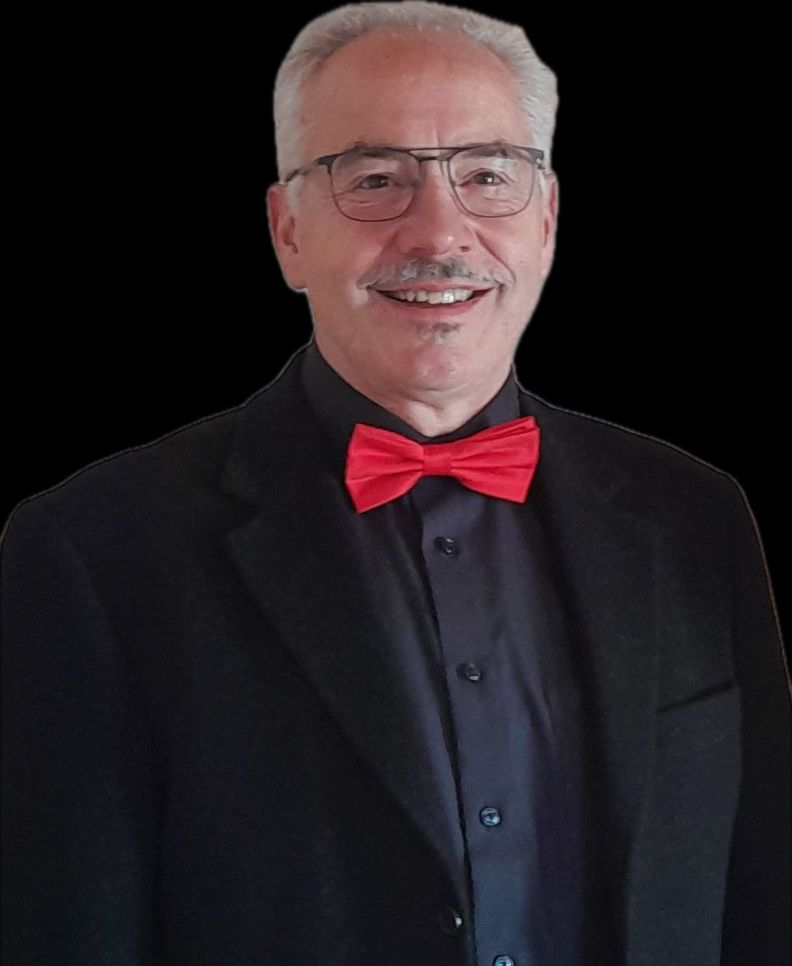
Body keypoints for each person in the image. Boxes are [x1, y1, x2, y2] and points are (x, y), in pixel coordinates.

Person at [2, 2, 789, 964]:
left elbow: (762, 898)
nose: (441, 232)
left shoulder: (695, 515)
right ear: (288, 231)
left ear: (546, 220)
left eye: (487, 176)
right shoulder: (94, 551)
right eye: (376, 179)